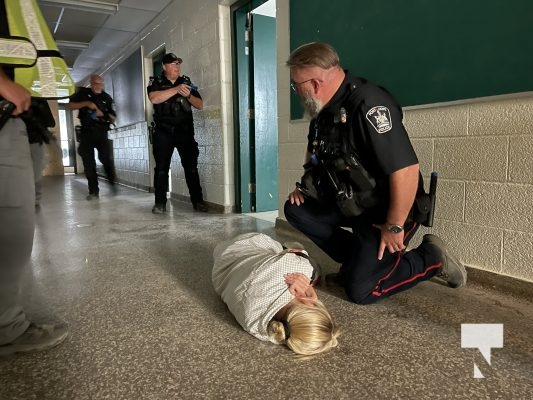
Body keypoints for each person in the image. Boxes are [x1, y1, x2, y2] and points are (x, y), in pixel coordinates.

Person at [284, 42, 467, 305]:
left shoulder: (369, 104)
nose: (296, 92)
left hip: (389, 211)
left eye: (296, 86)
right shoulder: (321, 109)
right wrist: (305, 188)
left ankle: (431, 258)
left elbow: (406, 170)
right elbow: (315, 154)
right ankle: (359, 260)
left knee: (361, 291)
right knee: (296, 209)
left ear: (314, 84)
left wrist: (394, 226)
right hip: (352, 203)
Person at [0, 67, 68, 356]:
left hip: (16, 119)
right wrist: (4, 83)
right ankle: (7, 328)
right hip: (5, 114)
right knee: (12, 224)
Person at [212, 232, 340, 356]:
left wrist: (309, 286)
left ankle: (286, 247)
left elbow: (300, 257)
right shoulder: (256, 328)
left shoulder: (299, 267)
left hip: (246, 244)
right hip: (219, 270)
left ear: (308, 303)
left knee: (312, 267)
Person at [147, 53, 208, 214]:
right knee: (161, 169)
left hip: (185, 132)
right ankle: (160, 203)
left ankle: (198, 202)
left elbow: (200, 104)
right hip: (163, 132)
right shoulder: (156, 82)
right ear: (165, 67)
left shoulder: (186, 83)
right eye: (173, 64)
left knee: (191, 168)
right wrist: (176, 90)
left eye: (178, 64)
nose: (177, 67)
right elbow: (154, 98)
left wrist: (187, 94)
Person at [68, 74, 117, 200]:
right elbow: (70, 106)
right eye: (95, 83)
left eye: (100, 83)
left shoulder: (107, 97)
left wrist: (105, 115)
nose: (98, 86)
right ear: (91, 83)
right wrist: (87, 103)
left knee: (106, 159)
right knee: (89, 164)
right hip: (86, 133)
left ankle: (112, 182)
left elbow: (113, 116)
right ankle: (93, 191)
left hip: (102, 132)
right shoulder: (83, 94)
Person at [22, 98, 56, 208]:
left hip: (32, 141)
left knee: (34, 173)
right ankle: (32, 200)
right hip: (24, 141)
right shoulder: (39, 100)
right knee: (32, 173)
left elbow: (51, 122)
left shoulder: (39, 100)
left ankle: (34, 200)